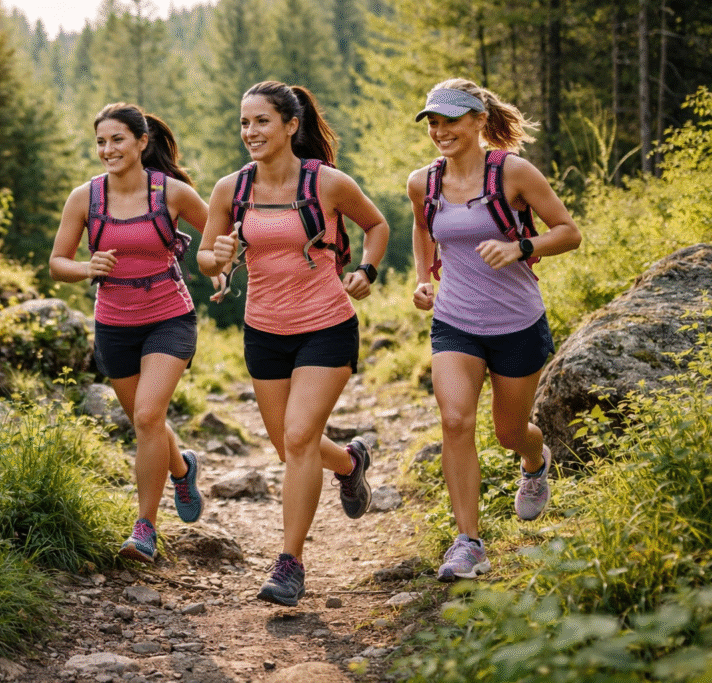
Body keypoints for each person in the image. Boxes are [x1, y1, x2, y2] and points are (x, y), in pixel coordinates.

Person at [197, 81, 390, 606]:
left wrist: (367, 269)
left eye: (261, 121)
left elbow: (376, 224)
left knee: (300, 437)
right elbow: (206, 258)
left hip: (326, 324)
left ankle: (290, 563)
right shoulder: (230, 189)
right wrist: (218, 257)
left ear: (290, 125)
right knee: (288, 445)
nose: (250, 132)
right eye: (244, 122)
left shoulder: (327, 183)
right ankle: (349, 463)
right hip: (264, 331)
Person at [406, 78, 582, 582]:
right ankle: (469, 543)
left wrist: (520, 247)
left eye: (451, 121)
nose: (440, 131)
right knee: (455, 420)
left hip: (516, 323)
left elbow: (569, 233)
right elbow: (422, 227)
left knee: (509, 432)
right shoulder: (423, 182)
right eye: (433, 122)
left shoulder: (513, 173)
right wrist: (423, 279)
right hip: (455, 322)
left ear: (479, 120)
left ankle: (534, 460)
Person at [49, 102, 212, 563]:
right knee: (148, 421)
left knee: (146, 415)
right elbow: (57, 263)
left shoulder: (172, 193)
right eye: (101, 141)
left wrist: (221, 264)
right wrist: (87, 267)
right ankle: (181, 469)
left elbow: (220, 232)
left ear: (141, 142)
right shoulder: (85, 198)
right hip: (114, 325)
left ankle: (145, 528)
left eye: (117, 139)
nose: (108, 149)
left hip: (168, 317)